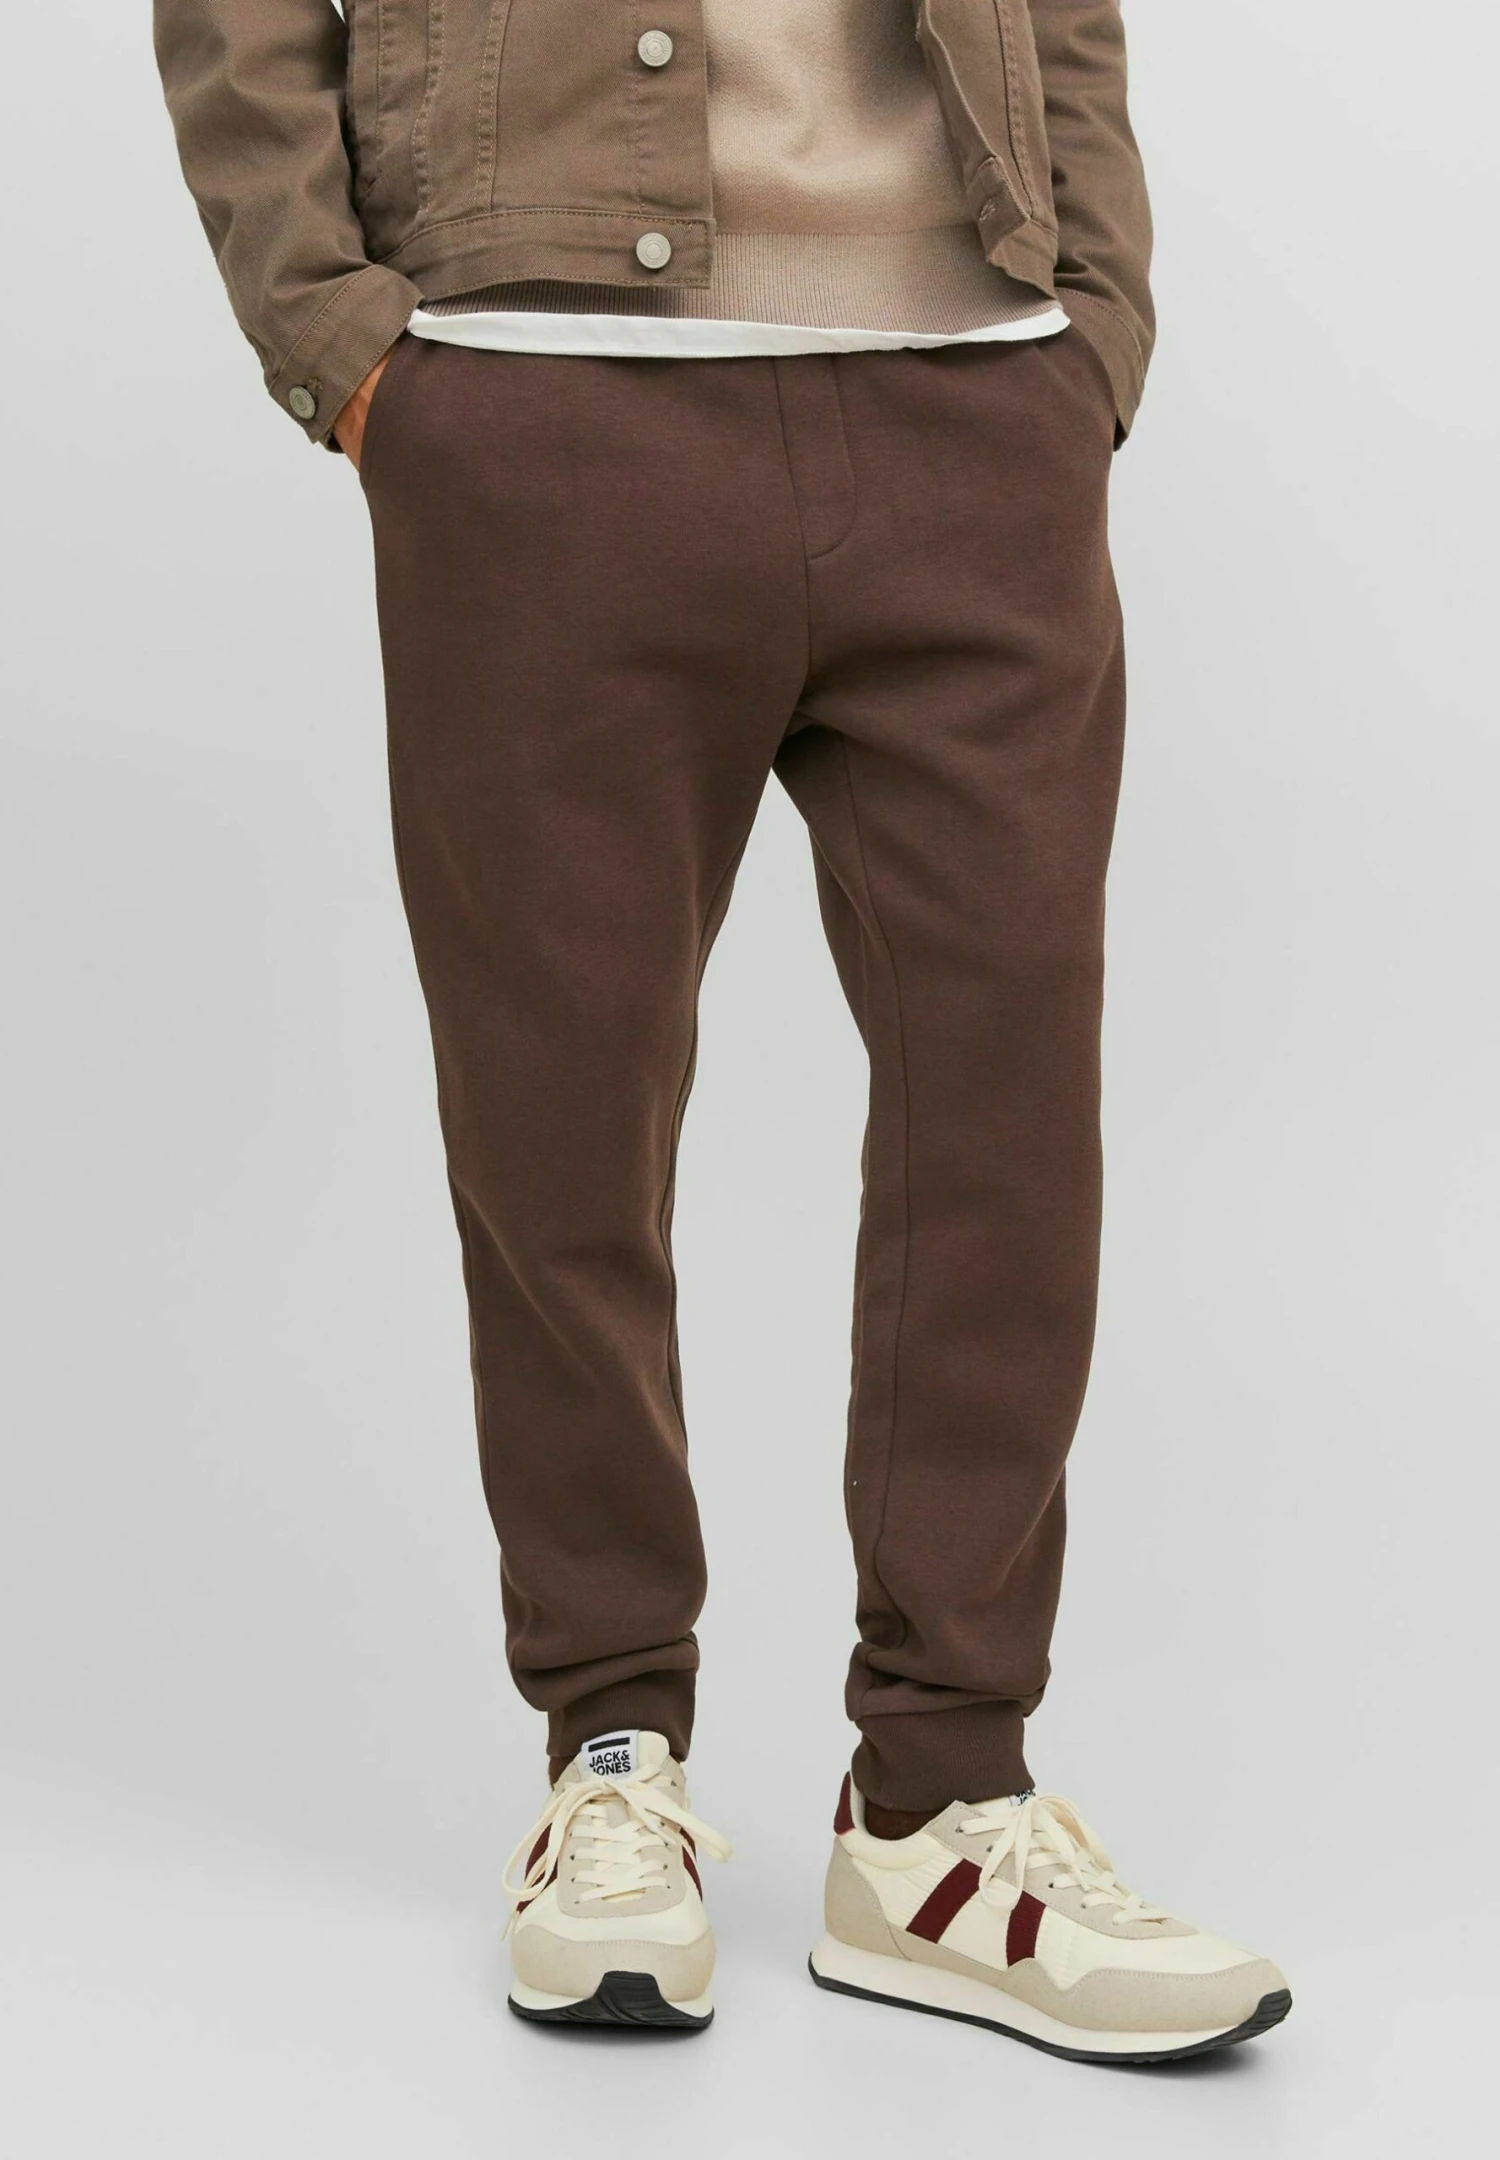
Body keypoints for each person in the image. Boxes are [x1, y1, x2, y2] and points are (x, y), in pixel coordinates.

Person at [154, 1, 1289, 2060]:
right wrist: (345, 346)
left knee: (1010, 1121)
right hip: (541, 411)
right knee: (560, 1129)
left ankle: (942, 1808)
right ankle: (611, 1754)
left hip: (976, 395)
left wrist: (1093, 327)